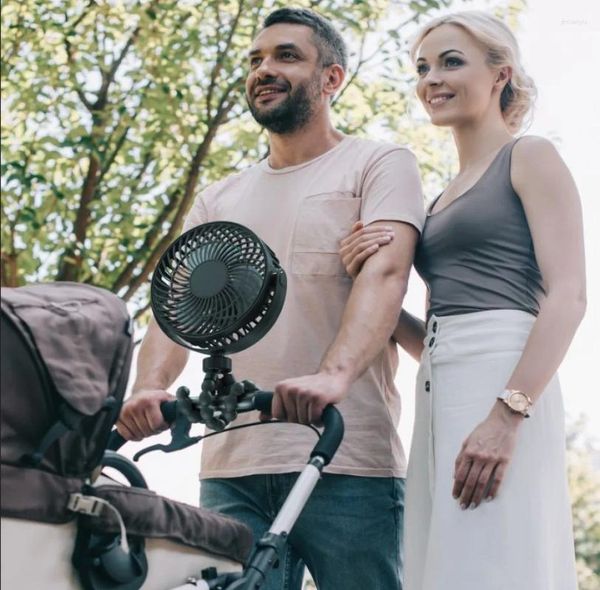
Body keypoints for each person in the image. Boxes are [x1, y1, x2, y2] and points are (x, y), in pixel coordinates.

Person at [117, 8, 426, 590]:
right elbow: (175, 309)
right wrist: (148, 387)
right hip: (231, 464)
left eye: (286, 56)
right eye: (256, 59)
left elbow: (386, 275)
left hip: (346, 458)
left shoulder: (377, 164)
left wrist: (331, 377)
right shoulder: (219, 197)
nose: (264, 69)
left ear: (332, 78)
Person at [340, 11, 585, 590]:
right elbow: (434, 339)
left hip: (506, 381)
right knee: (446, 561)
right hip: (442, 386)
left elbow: (569, 296)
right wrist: (365, 284)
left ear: (501, 75)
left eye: (451, 62)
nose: (432, 79)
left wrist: (506, 417)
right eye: (423, 68)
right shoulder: (438, 196)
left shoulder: (530, 156)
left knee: (496, 552)